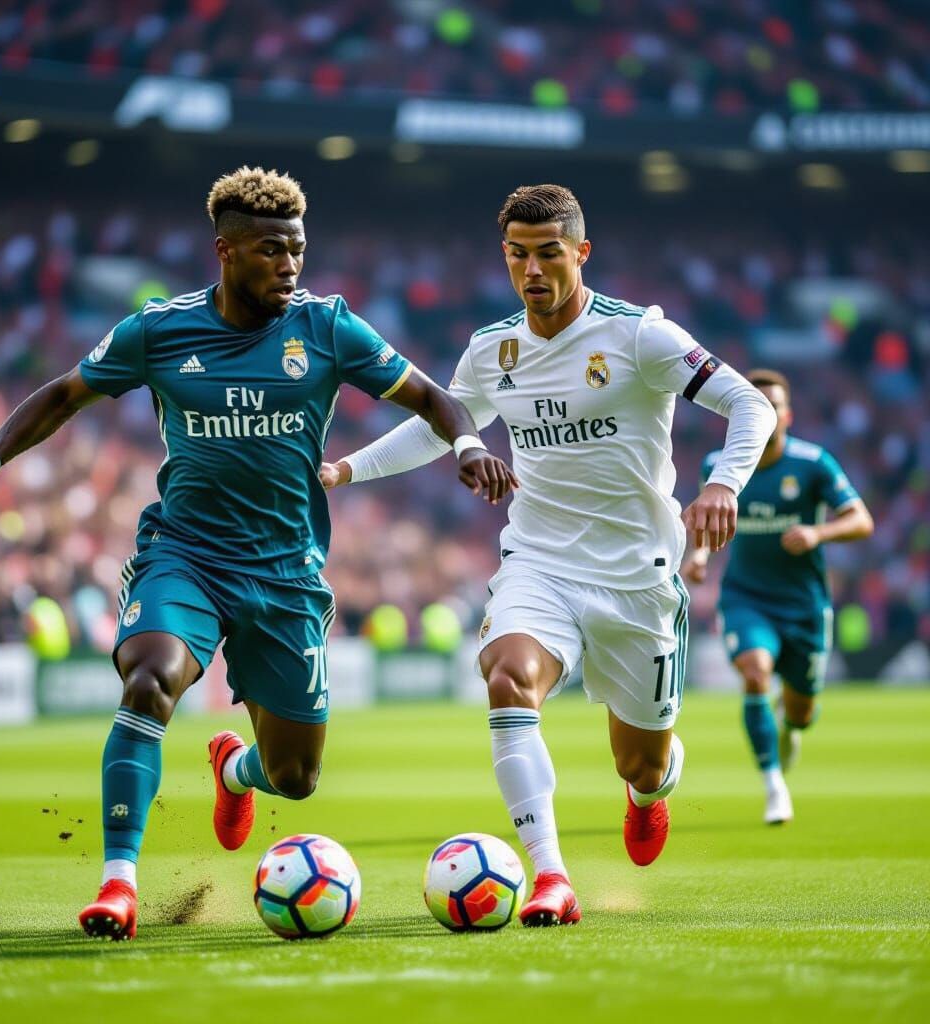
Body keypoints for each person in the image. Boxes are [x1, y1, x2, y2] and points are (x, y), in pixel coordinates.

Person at [0, 165, 515, 941]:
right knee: (148, 680)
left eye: (298, 250)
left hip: (286, 572)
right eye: (273, 250)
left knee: (294, 779)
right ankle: (118, 885)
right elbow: (61, 395)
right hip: (187, 552)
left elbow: (432, 397)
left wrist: (469, 444)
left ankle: (233, 769)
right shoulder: (160, 331)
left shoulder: (329, 328)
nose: (290, 265)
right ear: (226, 251)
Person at [321, 183, 777, 926]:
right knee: (507, 679)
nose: (531, 270)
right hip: (540, 563)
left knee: (643, 764)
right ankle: (551, 877)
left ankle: (647, 794)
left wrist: (723, 484)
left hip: (637, 579)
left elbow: (749, 404)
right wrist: (347, 469)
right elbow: (445, 423)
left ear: (581, 253)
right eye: (517, 255)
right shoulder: (494, 349)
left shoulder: (639, 337)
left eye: (547, 254)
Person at [683, 369, 873, 824]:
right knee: (754, 673)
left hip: (804, 604)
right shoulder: (719, 465)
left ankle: (789, 724)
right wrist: (701, 554)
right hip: (746, 597)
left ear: (786, 416)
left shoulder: (813, 464)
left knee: (803, 711)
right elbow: (712, 522)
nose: (765, 414)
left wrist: (818, 531)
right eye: (756, 405)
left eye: (773, 407)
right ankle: (774, 785)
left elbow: (861, 520)